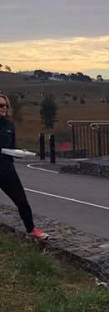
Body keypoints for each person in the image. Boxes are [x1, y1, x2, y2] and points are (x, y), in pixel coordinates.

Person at [0, 94, 48, 240]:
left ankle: (31, 229)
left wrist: (21, 152)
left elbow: (12, 148)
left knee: (22, 201)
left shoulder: (9, 125)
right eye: (0, 105)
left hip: (7, 171)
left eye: (5, 105)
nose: (3, 108)